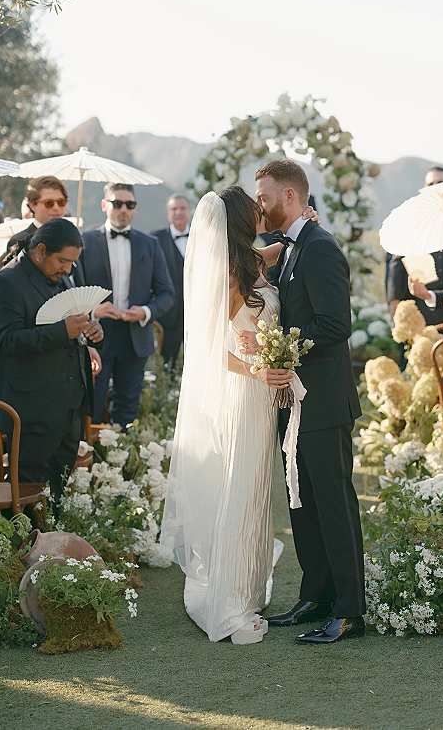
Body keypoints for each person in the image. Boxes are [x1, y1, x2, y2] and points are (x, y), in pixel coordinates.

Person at [160, 186, 293, 645]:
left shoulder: (250, 260)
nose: (263, 212)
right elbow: (214, 350)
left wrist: (299, 230)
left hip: (260, 397)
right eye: (257, 209)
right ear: (240, 220)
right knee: (240, 485)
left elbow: (273, 252)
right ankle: (230, 605)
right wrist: (260, 370)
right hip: (244, 394)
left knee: (257, 486)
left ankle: (246, 588)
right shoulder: (231, 274)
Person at [245, 158, 365, 644]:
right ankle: (316, 595)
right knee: (303, 504)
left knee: (334, 505)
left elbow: (337, 325)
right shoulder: (292, 247)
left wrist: (282, 348)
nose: (261, 206)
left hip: (324, 401)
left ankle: (351, 611)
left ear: (290, 196)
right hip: (294, 400)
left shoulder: (319, 248)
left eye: (266, 197)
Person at [0, 219, 103, 502]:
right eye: (63, 260)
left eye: (72, 262)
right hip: (31, 411)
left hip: (68, 405)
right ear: (41, 250)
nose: (68, 269)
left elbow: (70, 326)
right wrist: (62, 331)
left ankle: (54, 542)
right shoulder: (7, 282)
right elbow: (5, 341)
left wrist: (88, 333)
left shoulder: (62, 277)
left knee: (57, 491)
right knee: (28, 492)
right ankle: (27, 545)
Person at [80, 183, 175, 429]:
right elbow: (72, 291)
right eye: (117, 203)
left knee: (127, 408)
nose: (124, 209)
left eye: (129, 204)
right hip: (95, 336)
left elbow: (167, 293)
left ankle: (119, 459)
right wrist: (93, 311)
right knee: (91, 405)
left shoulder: (150, 244)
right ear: (104, 205)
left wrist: (145, 312)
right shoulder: (85, 241)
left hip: (135, 338)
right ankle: (90, 461)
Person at [386, 166, 443, 326]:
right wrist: (394, 303)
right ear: (424, 189)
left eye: (441, 183)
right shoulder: (413, 222)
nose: (435, 187)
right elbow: (396, 262)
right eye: (431, 184)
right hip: (420, 309)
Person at [151, 193, 194, 366]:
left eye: (182, 208)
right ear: (168, 213)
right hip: (168, 315)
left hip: (198, 311)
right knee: (166, 363)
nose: (178, 212)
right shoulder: (155, 239)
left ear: (189, 211)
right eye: (174, 208)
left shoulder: (205, 237)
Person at [0, 176, 69, 269]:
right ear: (32, 205)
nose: (56, 207)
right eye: (49, 203)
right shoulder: (21, 240)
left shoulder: (70, 238)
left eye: (61, 202)